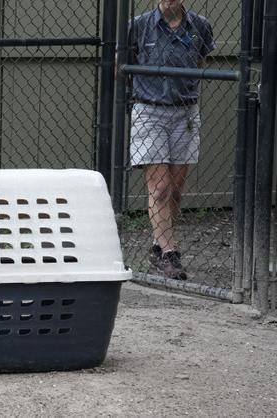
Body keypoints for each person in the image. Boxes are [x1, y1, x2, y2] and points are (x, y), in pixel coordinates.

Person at [128, 0, 215, 280]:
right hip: (149, 110)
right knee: (160, 188)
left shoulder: (197, 27)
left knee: (175, 190)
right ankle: (169, 253)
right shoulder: (139, 27)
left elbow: (200, 58)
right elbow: (124, 64)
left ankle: (157, 245)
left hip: (185, 112)